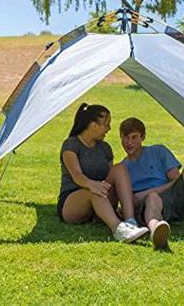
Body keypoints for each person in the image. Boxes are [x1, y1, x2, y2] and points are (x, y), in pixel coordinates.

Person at [120, 117, 184, 249]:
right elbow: (128, 199)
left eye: (134, 137)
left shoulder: (158, 151)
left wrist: (147, 192)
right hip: (148, 205)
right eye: (125, 137)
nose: (129, 142)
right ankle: (157, 229)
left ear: (143, 137)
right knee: (153, 198)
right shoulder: (123, 168)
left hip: (172, 198)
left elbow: (175, 180)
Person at [58, 103, 148, 243]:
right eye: (106, 124)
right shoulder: (71, 145)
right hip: (73, 204)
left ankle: (130, 222)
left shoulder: (105, 148)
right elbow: (77, 175)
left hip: (101, 201)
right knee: (95, 190)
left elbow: (110, 178)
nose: (109, 128)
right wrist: (92, 184)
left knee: (119, 169)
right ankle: (118, 229)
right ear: (93, 125)